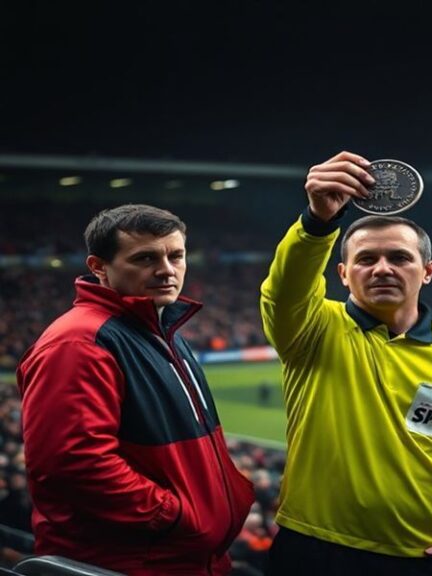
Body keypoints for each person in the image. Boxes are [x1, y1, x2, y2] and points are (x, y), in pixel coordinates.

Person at [260, 151, 432, 575]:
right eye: (366, 259)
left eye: (400, 258)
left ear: (428, 271)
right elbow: (286, 288)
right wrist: (317, 222)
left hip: (429, 559)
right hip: (314, 549)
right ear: (342, 273)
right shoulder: (311, 331)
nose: (382, 269)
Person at [17, 204, 255, 575]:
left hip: (185, 559)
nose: (166, 269)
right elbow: (75, 465)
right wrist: (178, 517)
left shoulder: (159, 330)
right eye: (145, 258)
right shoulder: (78, 343)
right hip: (137, 563)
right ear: (98, 267)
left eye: (176, 255)